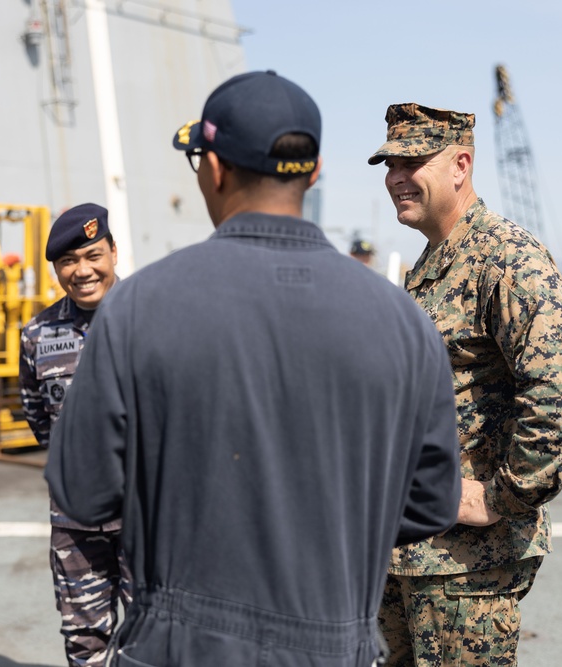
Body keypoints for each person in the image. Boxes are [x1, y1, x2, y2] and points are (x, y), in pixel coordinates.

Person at [45, 70, 462, 667]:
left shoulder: (139, 306)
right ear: (314, 172)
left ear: (214, 169)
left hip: (180, 644)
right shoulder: (404, 322)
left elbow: (82, 490)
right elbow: (429, 504)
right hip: (336, 642)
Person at [367, 103, 562, 666]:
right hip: (410, 554)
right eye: (388, 163)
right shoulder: (434, 263)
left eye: (412, 160)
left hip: (464, 569)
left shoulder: (504, 258)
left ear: (460, 165)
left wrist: (501, 497)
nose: (395, 176)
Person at [18, 203, 131, 667]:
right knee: (83, 641)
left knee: (160, 634)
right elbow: (38, 417)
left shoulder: (153, 316)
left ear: (114, 253)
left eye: (92, 256)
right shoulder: (38, 334)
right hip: (75, 524)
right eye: (68, 261)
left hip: (147, 517)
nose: (82, 271)